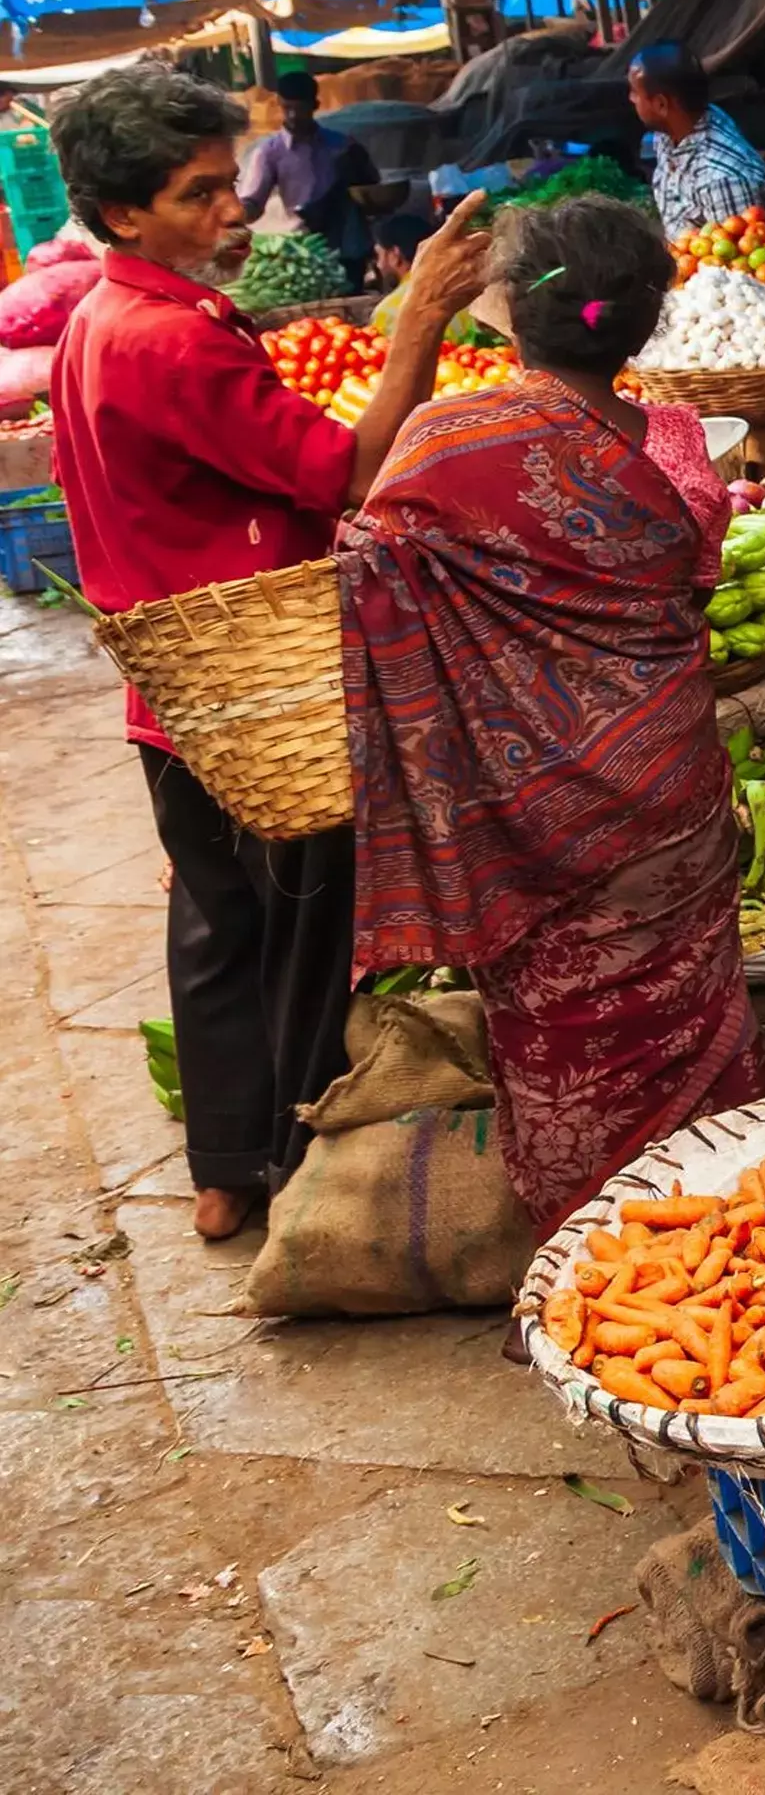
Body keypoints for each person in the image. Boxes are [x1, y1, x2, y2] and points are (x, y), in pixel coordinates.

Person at [48, 62, 490, 1241]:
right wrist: (425, 312)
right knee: (303, 931)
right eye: (201, 196)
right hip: (265, 694)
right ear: (123, 213)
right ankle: (303, 1176)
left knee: (213, 925)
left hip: (174, 701)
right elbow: (347, 473)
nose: (234, 212)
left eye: (229, 185)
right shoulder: (173, 342)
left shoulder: (100, 319)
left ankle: (226, 1170)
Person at [336, 194, 765, 1235]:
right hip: (670, 791)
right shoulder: (673, 440)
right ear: (643, 320)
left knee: (556, 1029)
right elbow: (696, 570)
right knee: (694, 1013)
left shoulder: (446, 438)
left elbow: (367, 552)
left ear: (509, 314)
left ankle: (590, 1256)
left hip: (530, 819)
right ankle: (731, 1232)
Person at [238, 70, 377, 283]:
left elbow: (371, 188)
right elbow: (253, 203)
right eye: (287, 108)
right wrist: (237, 215)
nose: (293, 116)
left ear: (315, 105)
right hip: (304, 252)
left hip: (347, 247)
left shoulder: (342, 146)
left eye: (300, 109)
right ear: (279, 104)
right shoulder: (270, 153)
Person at [626, 42, 765, 238]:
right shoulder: (672, 131)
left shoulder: (720, 179)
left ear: (661, 104)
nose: (630, 98)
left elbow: (738, 263)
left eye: (635, 92)